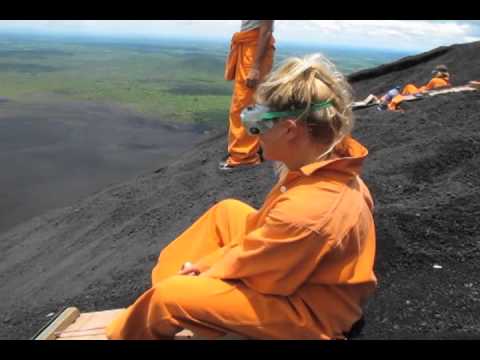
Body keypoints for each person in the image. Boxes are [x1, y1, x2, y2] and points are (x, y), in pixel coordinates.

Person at [106, 54, 377, 340]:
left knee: (168, 297)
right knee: (227, 212)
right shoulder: (333, 171)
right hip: (302, 280)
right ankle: (184, 294)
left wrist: (204, 270)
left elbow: (261, 277)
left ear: (289, 130)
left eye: (260, 123)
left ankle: (144, 322)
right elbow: (267, 249)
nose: (254, 133)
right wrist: (204, 271)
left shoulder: (307, 212)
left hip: (309, 317)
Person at [219, 20, 276, 171]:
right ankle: (253, 149)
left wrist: (255, 67)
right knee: (249, 102)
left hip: (254, 51)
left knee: (243, 106)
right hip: (250, 48)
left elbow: (266, 30)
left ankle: (244, 157)